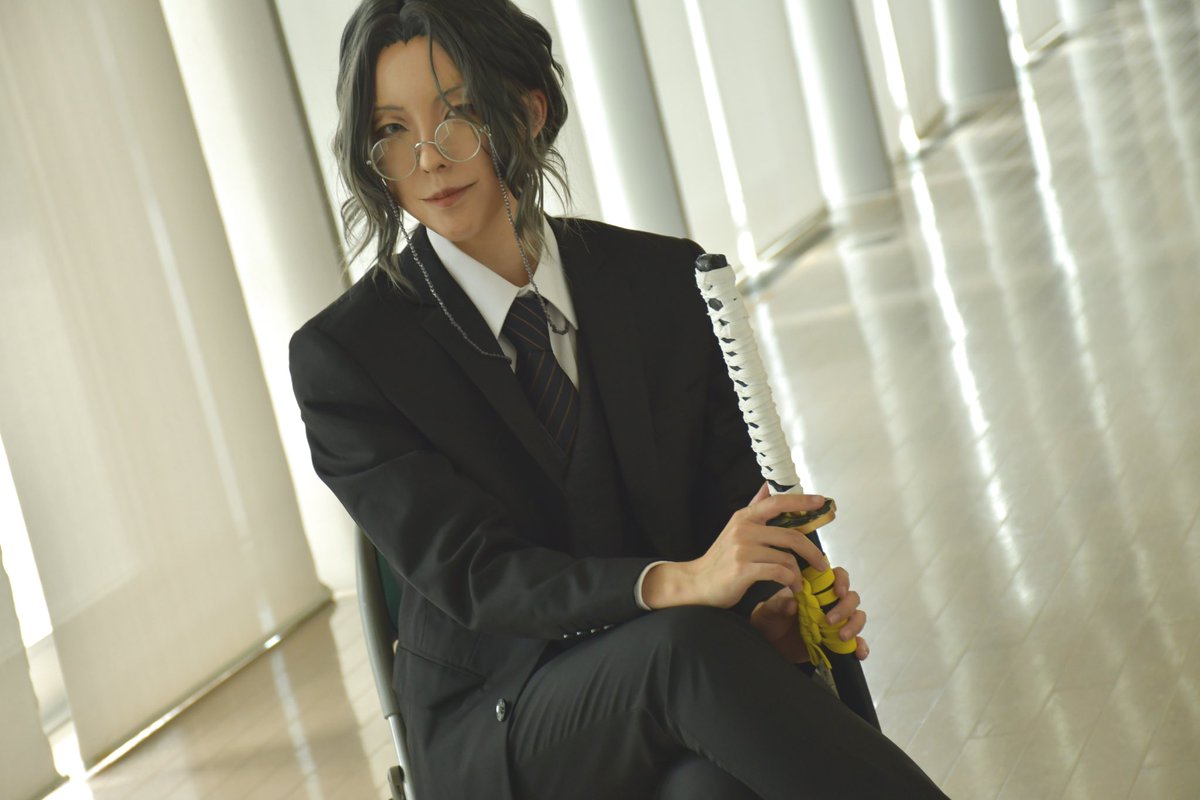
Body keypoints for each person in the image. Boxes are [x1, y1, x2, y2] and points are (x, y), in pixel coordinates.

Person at [289, 1, 948, 797]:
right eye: (392, 130)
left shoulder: (663, 282)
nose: (427, 158)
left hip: (675, 679)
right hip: (501, 720)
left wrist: (764, 613)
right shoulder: (348, 358)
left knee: (708, 787)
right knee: (683, 651)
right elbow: (481, 576)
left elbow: (730, 508)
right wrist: (682, 584)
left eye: (457, 112)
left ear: (528, 111)